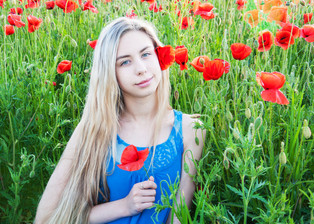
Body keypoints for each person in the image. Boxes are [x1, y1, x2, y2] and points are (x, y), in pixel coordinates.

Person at [35, 17, 205, 224]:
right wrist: (124, 206)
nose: (141, 68)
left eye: (146, 54)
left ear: (159, 57)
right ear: (109, 73)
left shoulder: (190, 129)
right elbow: (46, 219)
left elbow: (180, 219)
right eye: (125, 61)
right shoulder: (93, 129)